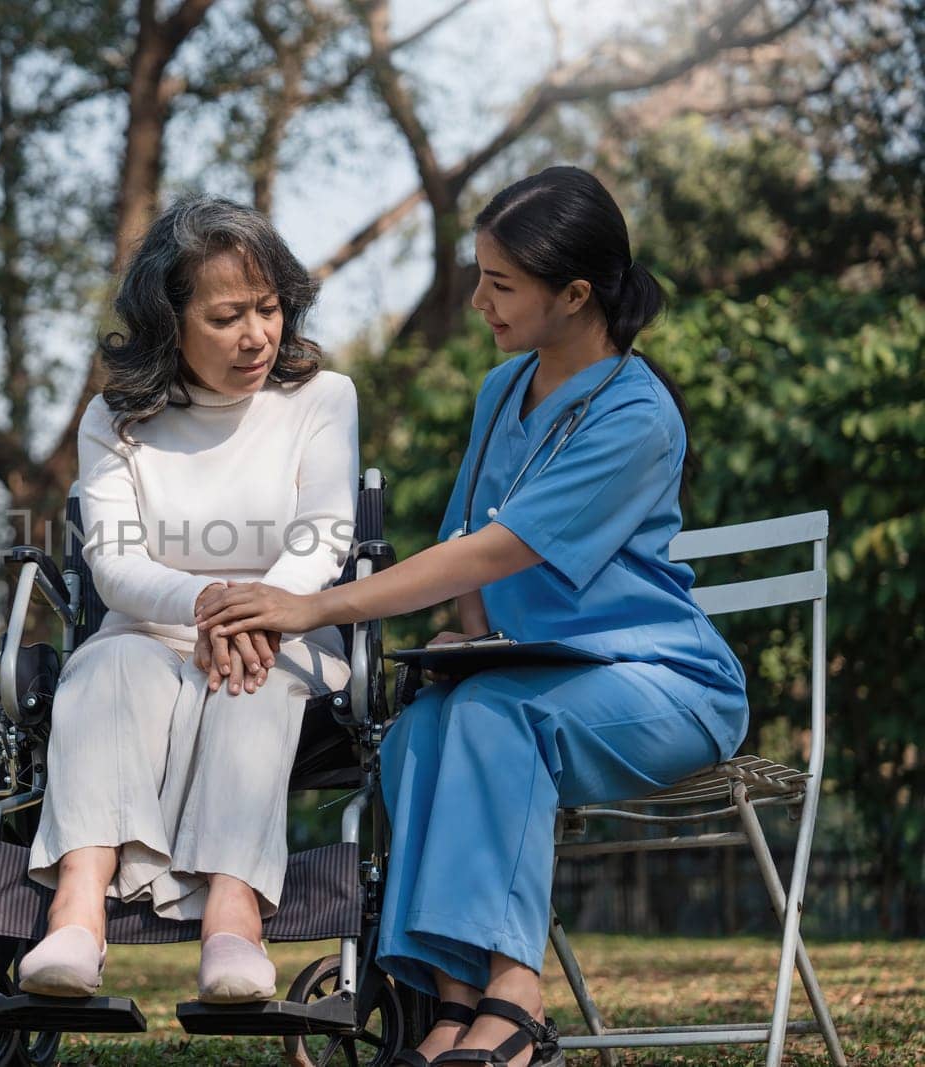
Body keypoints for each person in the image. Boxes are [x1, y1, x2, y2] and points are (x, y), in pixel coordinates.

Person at [194, 166, 748, 1067]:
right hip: (534, 674)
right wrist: (467, 633)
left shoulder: (636, 414)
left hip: (665, 685)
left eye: (501, 284)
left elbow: (499, 548)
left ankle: (515, 995)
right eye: (479, 274)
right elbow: (467, 546)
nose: (480, 301)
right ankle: (450, 1004)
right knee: (419, 729)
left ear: (574, 295)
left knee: (492, 720)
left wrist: (313, 606)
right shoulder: (503, 391)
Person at [16, 195, 360, 1004]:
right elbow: (114, 564)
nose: (256, 335)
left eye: (269, 309)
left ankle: (233, 922)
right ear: (170, 323)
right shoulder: (114, 418)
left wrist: (260, 612)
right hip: (150, 630)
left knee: (253, 677)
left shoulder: (321, 399)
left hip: (292, 633)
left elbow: (325, 534)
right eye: (228, 315)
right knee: (106, 669)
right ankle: (76, 914)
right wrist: (213, 601)